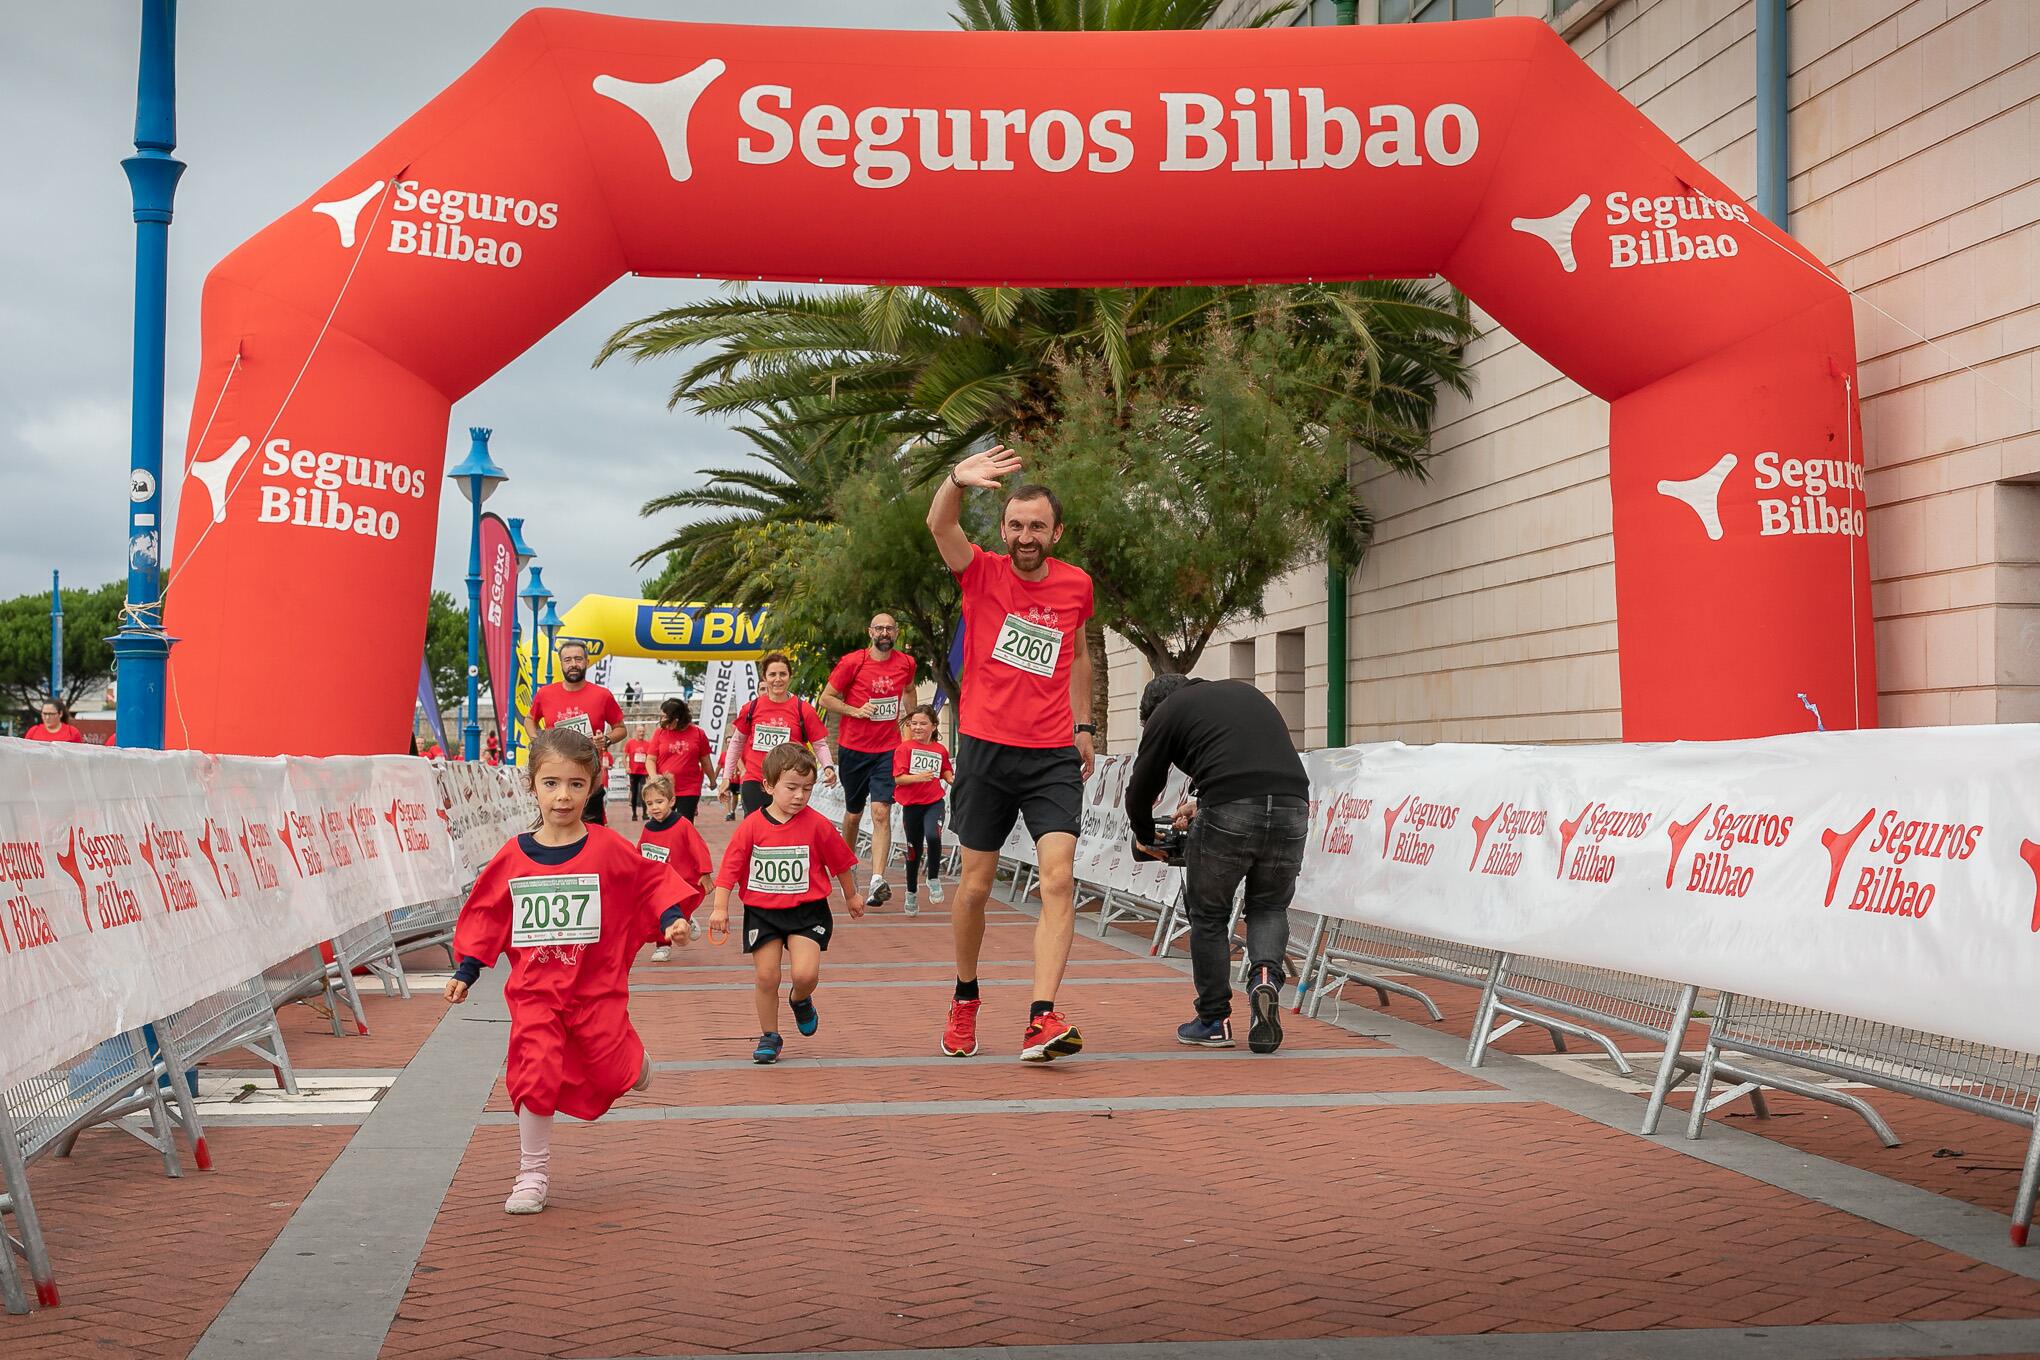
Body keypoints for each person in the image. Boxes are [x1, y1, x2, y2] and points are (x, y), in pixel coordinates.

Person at [442, 727, 697, 1214]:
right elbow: (488, 912)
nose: (563, 796)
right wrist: (468, 968)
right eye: (551, 783)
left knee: (610, 1066)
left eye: (576, 785)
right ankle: (531, 1174)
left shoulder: (606, 847)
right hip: (536, 992)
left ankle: (633, 1062)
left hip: (594, 989)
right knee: (534, 1073)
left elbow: (649, 882)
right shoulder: (513, 856)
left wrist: (672, 918)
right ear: (531, 785)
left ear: (593, 786)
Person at [927, 445, 1095, 1062]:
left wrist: (1085, 725)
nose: (1026, 536)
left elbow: (1077, 652)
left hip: (1051, 753)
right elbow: (940, 526)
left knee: (1059, 877)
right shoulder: (983, 573)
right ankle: (966, 995)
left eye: (1038, 527)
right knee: (975, 885)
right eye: (1017, 526)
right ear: (1004, 530)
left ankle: (1041, 1016)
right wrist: (956, 481)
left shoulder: (1076, 584)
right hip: (985, 750)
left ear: (1056, 532)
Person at [1126, 673, 1309, 1055]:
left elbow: (1142, 785)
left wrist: (1144, 834)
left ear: (1153, 711)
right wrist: (1204, 803)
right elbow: (1248, 765)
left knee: (1209, 914)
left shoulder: (1166, 712)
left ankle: (1213, 1020)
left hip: (1230, 808)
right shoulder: (1242, 691)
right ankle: (1264, 978)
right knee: (1269, 906)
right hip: (1293, 805)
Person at [709, 743, 862, 1065]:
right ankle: (770, 1035)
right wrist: (720, 908)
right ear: (768, 786)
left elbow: (841, 864)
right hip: (763, 913)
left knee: (804, 974)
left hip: (807, 912)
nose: (799, 796)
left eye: (807, 789)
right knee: (767, 976)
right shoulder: (751, 826)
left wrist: (851, 895)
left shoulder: (818, 825)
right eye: (791, 788)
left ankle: (801, 999)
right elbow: (729, 870)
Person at [820, 614, 917, 910]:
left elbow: (910, 690)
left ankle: (877, 879)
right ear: (870, 632)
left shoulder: (907, 663)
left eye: (889, 628)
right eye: (879, 628)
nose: (884, 633)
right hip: (854, 750)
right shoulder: (853, 662)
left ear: (896, 632)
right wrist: (855, 710)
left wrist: (910, 728)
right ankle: (849, 869)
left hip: (887, 750)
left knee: (880, 812)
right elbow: (826, 698)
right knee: (852, 815)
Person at [716, 651, 834, 818]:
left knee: (786, 831)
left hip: (789, 783)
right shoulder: (751, 708)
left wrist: (828, 766)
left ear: (789, 676)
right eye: (772, 674)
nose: (777, 679)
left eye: (782, 674)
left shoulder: (803, 709)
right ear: (764, 677)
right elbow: (736, 743)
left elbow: (819, 744)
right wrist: (727, 777)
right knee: (757, 831)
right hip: (755, 780)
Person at [530, 640, 626, 825]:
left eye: (578, 659)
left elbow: (621, 729)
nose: (573, 664)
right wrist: (537, 739)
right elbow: (530, 719)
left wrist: (605, 740)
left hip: (588, 777)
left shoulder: (602, 695)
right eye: (567, 660)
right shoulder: (545, 694)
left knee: (592, 834)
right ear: (561, 663)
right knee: (555, 830)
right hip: (556, 777)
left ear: (587, 661)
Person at [638, 774, 715, 959]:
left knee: (681, 908)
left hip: (684, 880)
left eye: (659, 801)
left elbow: (699, 848)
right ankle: (663, 945)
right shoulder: (648, 829)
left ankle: (686, 919)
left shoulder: (682, 825)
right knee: (661, 910)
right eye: (649, 804)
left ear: (671, 801)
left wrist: (705, 873)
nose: (655, 807)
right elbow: (639, 853)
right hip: (660, 884)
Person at [891, 704, 954, 918]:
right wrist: (919, 777)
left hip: (934, 802)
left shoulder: (939, 749)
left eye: (923, 724)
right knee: (913, 851)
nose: (917, 727)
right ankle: (911, 892)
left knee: (933, 837)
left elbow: (945, 769)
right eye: (914, 723)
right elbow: (899, 778)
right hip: (912, 806)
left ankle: (933, 878)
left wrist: (952, 780)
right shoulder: (904, 749)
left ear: (934, 726)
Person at [650, 697, 718, 821]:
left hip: (689, 788)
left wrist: (713, 780)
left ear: (677, 719)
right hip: (664, 788)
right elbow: (650, 759)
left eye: (666, 718)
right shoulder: (659, 733)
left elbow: (705, 761)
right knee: (661, 822)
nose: (663, 721)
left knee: (684, 823)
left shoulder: (698, 733)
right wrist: (653, 776)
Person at [624, 725, 653, 821]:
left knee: (644, 792)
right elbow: (624, 756)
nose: (641, 733)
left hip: (644, 772)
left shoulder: (648, 744)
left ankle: (645, 813)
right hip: (633, 772)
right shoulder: (630, 743)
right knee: (634, 792)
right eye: (640, 731)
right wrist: (626, 767)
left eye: (643, 731)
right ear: (636, 732)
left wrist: (650, 770)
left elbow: (650, 758)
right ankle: (634, 814)